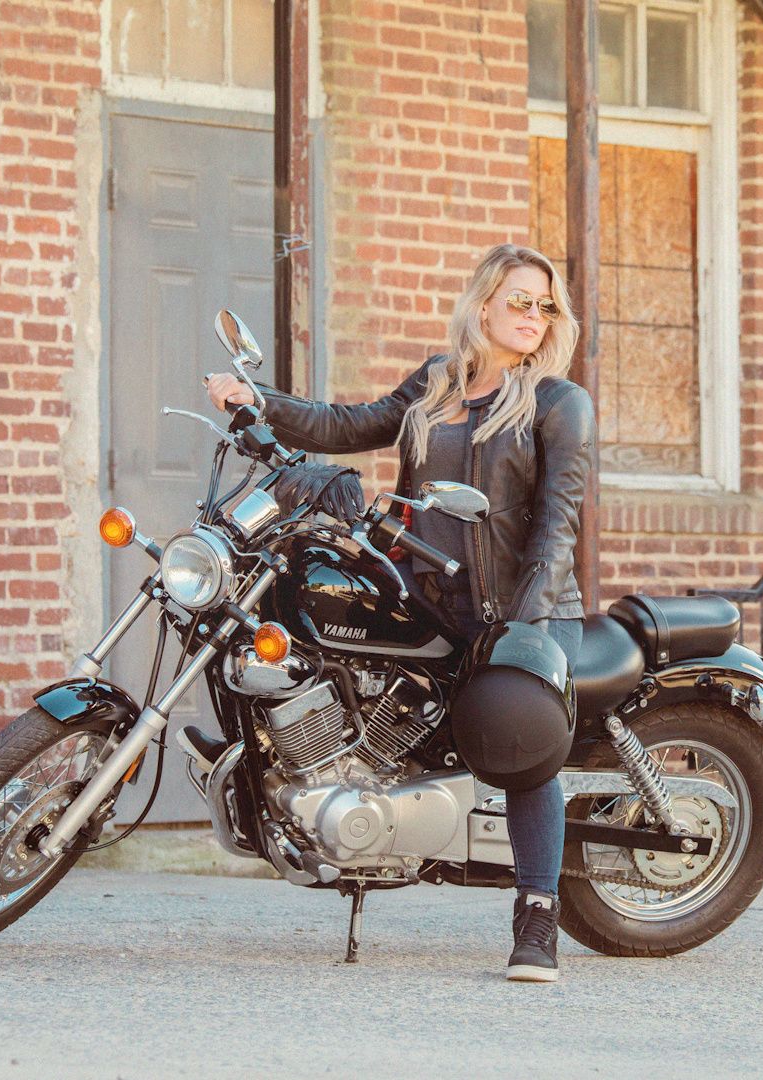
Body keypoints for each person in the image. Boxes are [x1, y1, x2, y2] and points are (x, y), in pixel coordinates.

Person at [204, 243, 591, 983]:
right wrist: (261, 403)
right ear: (482, 306)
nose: (534, 317)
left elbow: (557, 524)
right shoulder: (440, 381)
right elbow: (351, 426)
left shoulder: (556, 402)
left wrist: (520, 629)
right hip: (429, 594)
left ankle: (538, 914)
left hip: (524, 611)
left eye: (546, 305)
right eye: (520, 300)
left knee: (521, 745)